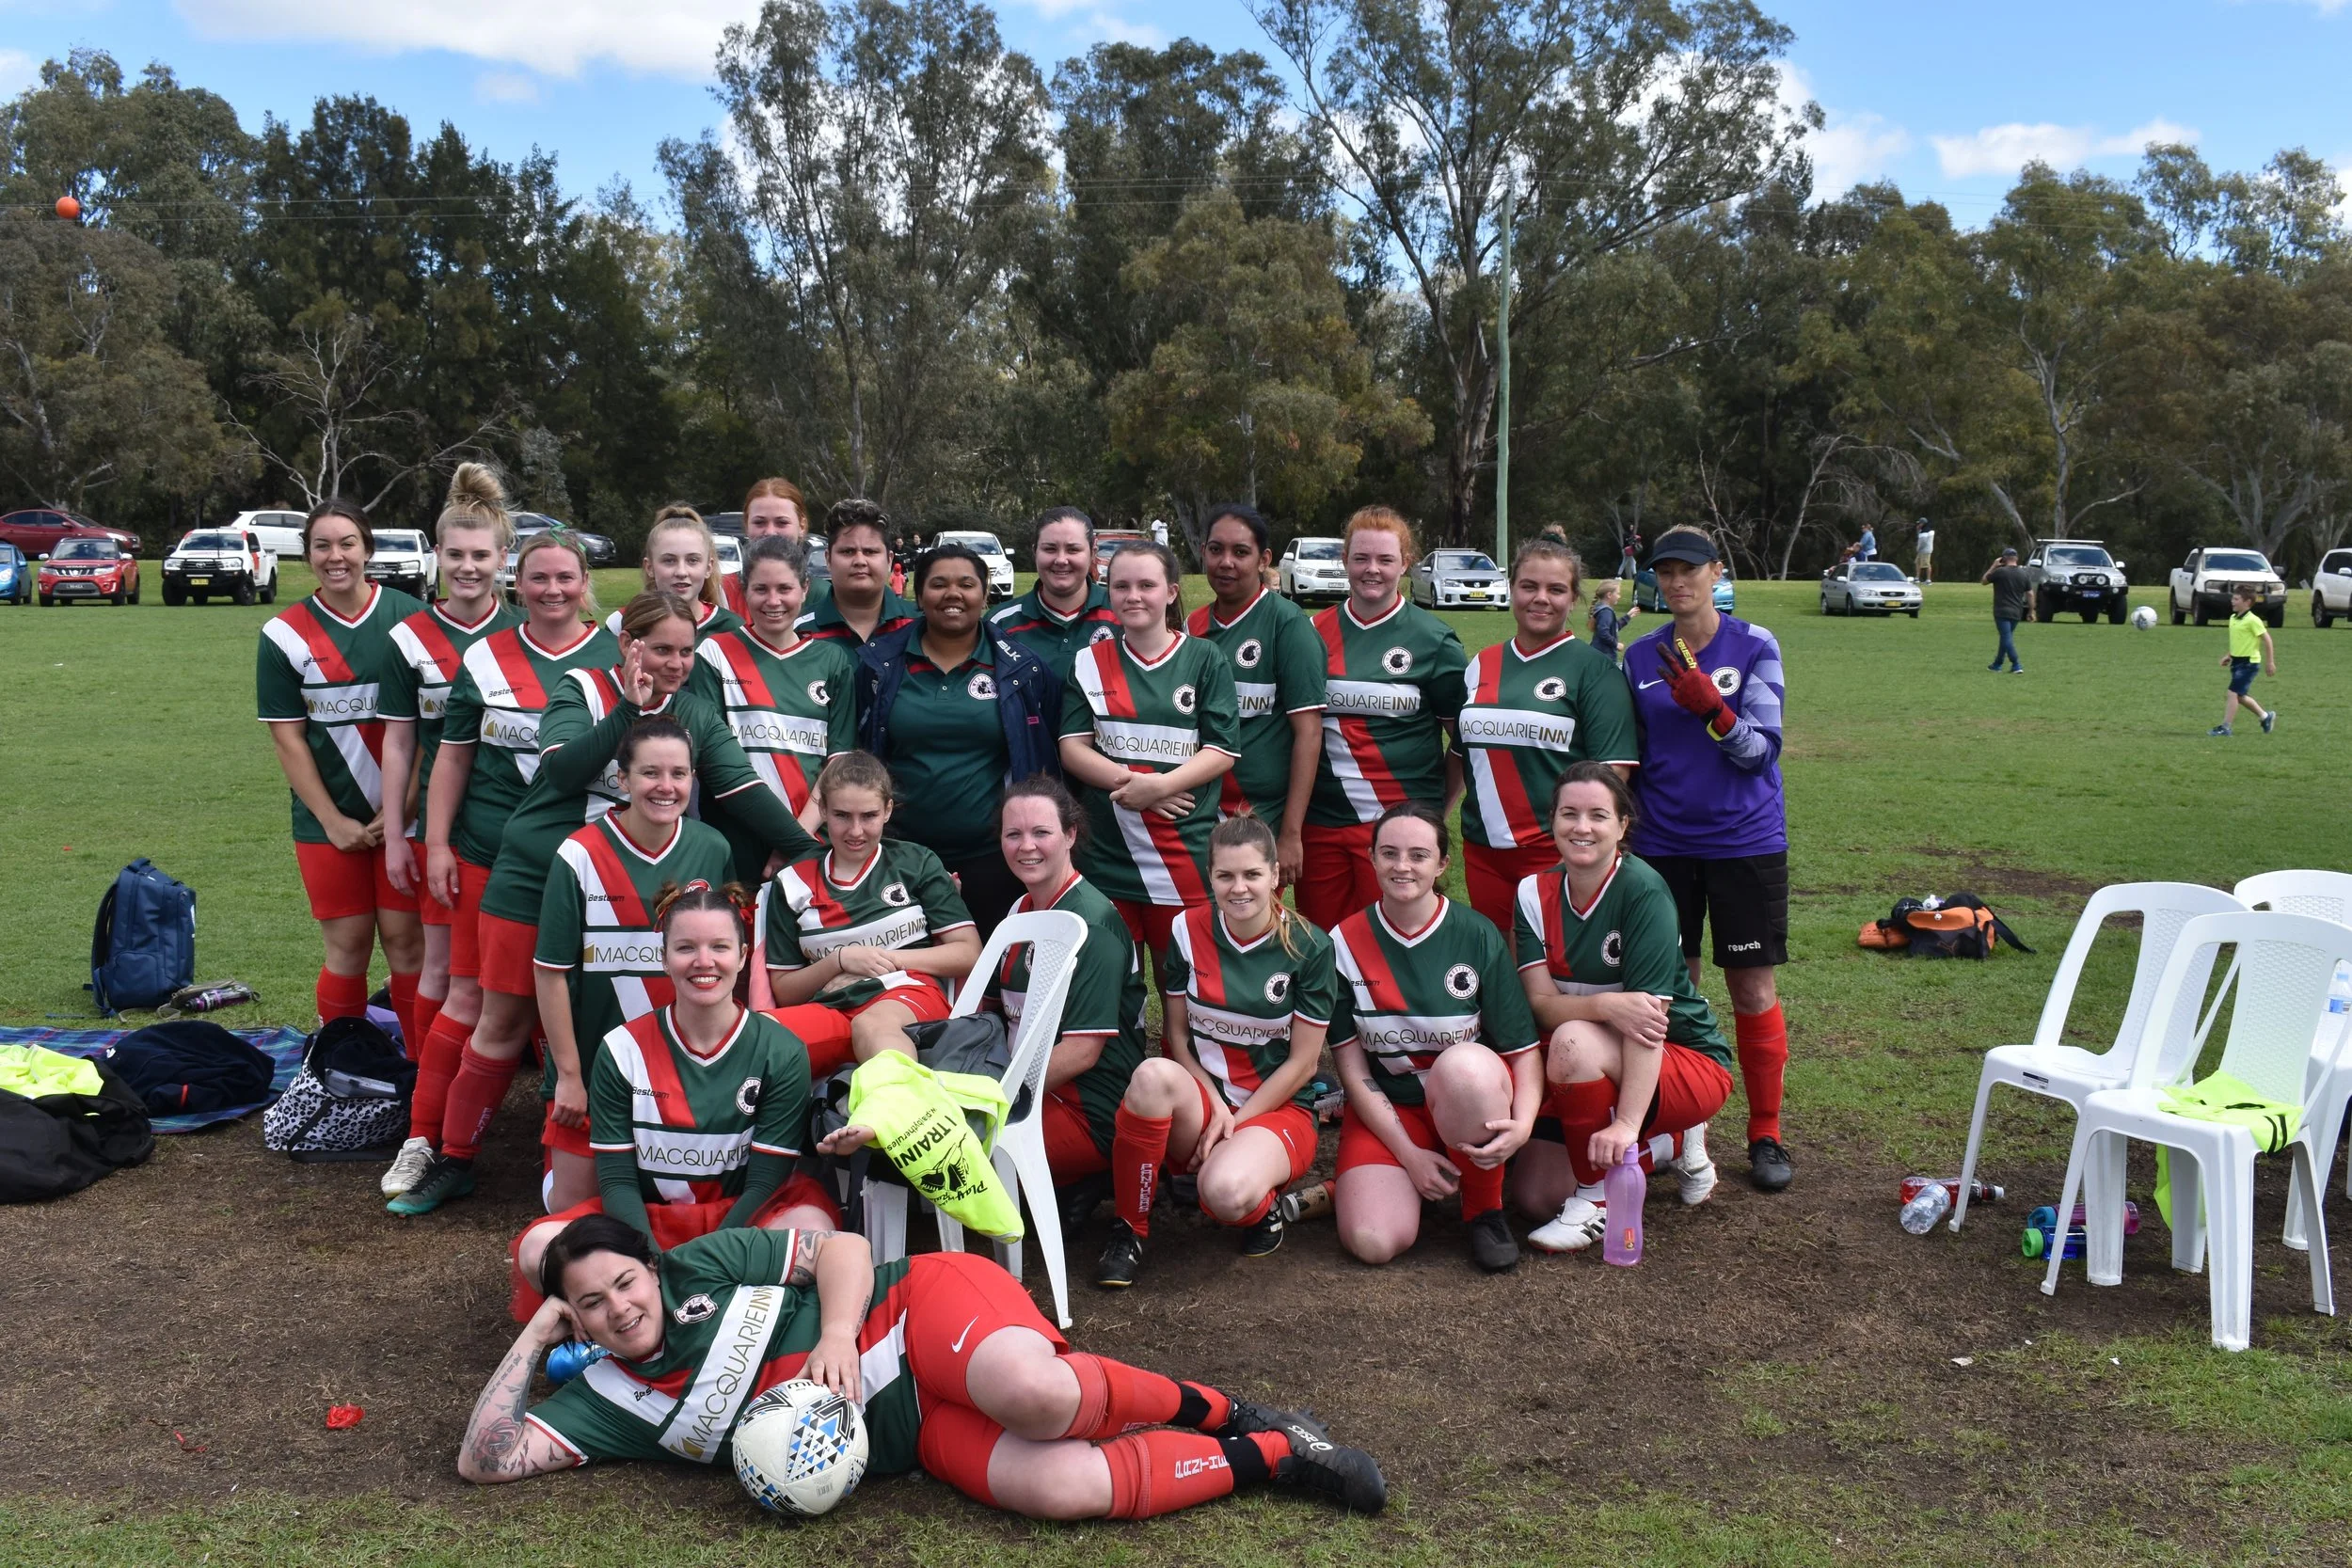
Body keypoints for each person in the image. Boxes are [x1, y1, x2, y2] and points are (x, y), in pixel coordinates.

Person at [459, 1215, 1388, 1518]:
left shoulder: (701, 1263)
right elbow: (485, 1456)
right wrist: (535, 1335)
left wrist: (832, 1333)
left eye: (625, 1280)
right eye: (589, 1302)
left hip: (915, 1313)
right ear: (572, 1316)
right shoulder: (608, 1399)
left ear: (651, 1268)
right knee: (1062, 1485)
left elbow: (844, 1246)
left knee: (1035, 1394)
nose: (619, 1307)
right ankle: (1277, 1452)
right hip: (907, 1435)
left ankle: (1223, 1406)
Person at [390, 592, 818, 1217]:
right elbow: (563, 770)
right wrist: (627, 710)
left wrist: (814, 857)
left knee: (610, 1010)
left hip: (619, 875)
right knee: (503, 1020)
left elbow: (743, 787)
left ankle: (579, 1153)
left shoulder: (693, 711)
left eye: (685, 650)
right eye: (661, 648)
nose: (675, 662)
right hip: (536, 871)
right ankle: (452, 1157)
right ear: (628, 643)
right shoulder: (582, 687)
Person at [389, 530, 613, 1199]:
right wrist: (434, 843)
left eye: (565, 578)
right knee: (480, 1003)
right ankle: (432, 1144)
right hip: (493, 856)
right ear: (518, 583)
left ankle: (561, 1167)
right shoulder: (485, 655)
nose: (552, 590)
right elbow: (451, 755)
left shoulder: (614, 651)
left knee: (586, 1009)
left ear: (584, 582)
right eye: (538, 578)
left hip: (594, 863)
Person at [510, 881, 838, 1315]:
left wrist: (707, 1259)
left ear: (742, 957)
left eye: (720, 947)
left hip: (743, 1217)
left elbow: (765, 1182)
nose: (704, 962)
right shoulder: (621, 1048)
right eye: (686, 948)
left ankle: (729, 1325)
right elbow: (617, 1181)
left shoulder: (780, 1050)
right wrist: (646, 1261)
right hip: (643, 1222)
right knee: (538, 1249)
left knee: (818, 1238)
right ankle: (627, 1332)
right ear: (662, 958)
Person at [1624, 526, 1795, 1193]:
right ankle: (1679, 1130)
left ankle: (1766, 1132)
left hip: (1744, 842)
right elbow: (1629, 760)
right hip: (1662, 847)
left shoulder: (1755, 645)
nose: (1677, 582)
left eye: (1690, 569)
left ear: (1717, 572)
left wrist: (1714, 710)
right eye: (1665, 572)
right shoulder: (1640, 657)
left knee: (1751, 987)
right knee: (1670, 992)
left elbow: (1760, 751)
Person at [1095, 816, 1339, 1287]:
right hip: (1207, 1102)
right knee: (1151, 1075)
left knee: (1224, 1193)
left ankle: (1265, 1207)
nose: (1239, 888)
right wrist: (1214, 1109)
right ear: (1210, 877)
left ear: (1274, 875)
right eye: (1225, 876)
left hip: (1278, 1109)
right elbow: (1178, 1039)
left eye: (1252, 875)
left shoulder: (1310, 947)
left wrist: (1238, 1122)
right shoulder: (1186, 929)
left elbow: (1304, 1063)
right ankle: (1129, 1229)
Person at [1509, 762, 1733, 1251]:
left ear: (1622, 826)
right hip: (1592, 1051)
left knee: (1570, 1042)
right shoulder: (1532, 893)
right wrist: (1608, 1004)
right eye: (1569, 813)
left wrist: (1626, 1122)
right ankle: (1668, 1145)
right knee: (1535, 1197)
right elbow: (1541, 1006)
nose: (1582, 828)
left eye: (1598, 815)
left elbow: (1647, 1026)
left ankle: (1599, 1195)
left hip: (1684, 1058)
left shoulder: (1644, 891)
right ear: (1553, 821)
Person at [525, 717, 739, 1212]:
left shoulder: (712, 847)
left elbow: (728, 969)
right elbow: (550, 973)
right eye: (650, 773)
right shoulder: (578, 854)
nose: (666, 787)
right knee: (570, 1214)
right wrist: (569, 1079)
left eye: (679, 774)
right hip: (597, 1074)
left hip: (688, 1071)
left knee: (681, 1208)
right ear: (622, 780)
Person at [1328, 802, 1541, 1274]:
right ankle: (1415, 1174)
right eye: (1390, 853)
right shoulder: (1342, 942)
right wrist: (1407, 1153)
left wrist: (1522, 1124)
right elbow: (1354, 1073)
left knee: (1463, 1065)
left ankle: (1485, 1210)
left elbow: (1523, 1053)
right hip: (1394, 1109)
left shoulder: (1477, 935)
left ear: (1442, 864)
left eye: (1419, 855)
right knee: (1373, 1241)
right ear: (1372, 858)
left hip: (1469, 1100)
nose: (1403, 866)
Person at [258, 499, 428, 1040]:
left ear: (368, 549)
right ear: (307, 555)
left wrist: (402, 808)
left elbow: (433, 724)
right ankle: (342, 1066)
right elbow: (288, 739)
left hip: (410, 819)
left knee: (407, 942)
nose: (336, 556)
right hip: (326, 823)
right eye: (322, 545)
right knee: (349, 945)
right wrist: (332, 820)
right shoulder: (282, 634)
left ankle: (418, 1072)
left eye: (347, 543)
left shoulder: (410, 619)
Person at [381, 465, 519, 1069]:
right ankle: (427, 1092)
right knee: (442, 967)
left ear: (502, 557)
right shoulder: (408, 638)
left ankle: (503, 1088)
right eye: (455, 553)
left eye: (481, 555)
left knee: (513, 965)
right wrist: (395, 836)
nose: (468, 567)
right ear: (436, 553)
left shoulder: (526, 631)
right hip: (439, 835)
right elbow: (399, 744)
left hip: (514, 829)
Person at [855, 543, 1061, 936]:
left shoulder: (1023, 669)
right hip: (900, 853)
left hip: (994, 857)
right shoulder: (878, 664)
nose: (953, 594)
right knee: (906, 973)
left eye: (966, 584)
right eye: (938, 584)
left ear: (985, 595)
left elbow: (1044, 754)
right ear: (918, 595)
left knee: (994, 979)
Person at [1058, 542, 1240, 960]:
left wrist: (1160, 788)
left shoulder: (1204, 658)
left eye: (1147, 585)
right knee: (1113, 978)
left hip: (1185, 850)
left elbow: (1222, 750)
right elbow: (1072, 747)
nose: (1133, 596)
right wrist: (1134, 785)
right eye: (1121, 586)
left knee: (1185, 979)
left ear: (1172, 592)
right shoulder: (1089, 661)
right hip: (1106, 850)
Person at [1455, 539, 1639, 936]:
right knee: (1498, 970)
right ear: (1511, 589)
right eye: (1529, 586)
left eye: (1555, 590)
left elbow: (1614, 774)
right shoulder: (1481, 663)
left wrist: (1579, 845)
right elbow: (1460, 754)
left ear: (1573, 599)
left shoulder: (1595, 671)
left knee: (1554, 975)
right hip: (1482, 850)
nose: (1541, 599)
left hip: (1556, 852)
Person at [1298, 508, 1468, 930]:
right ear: (1345, 560)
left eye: (1385, 560)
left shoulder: (1434, 640)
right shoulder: (1310, 633)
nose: (1372, 570)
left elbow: (1463, 741)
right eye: (1361, 558)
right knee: (1325, 945)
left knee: (1396, 945)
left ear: (1405, 563)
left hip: (1400, 831)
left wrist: (1434, 812)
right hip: (1322, 824)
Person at [763, 751, 981, 1074]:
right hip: (833, 1006)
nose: (855, 831)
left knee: (871, 1026)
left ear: (887, 811)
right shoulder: (793, 880)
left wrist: (880, 960)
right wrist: (839, 961)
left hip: (907, 992)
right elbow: (784, 990)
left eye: (868, 816)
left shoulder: (915, 862)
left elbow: (968, 952)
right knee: (756, 1038)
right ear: (822, 810)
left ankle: (904, 1120)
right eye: (841, 815)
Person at [985, 777, 1149, 1191]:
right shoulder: (1020, 909)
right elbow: (988, 1011)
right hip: (1026, 1091)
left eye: (1042, 832)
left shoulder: (1091, 922)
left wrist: (987, 1101)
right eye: (1013, 834)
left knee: (955, 1161)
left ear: (1070, 834)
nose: (1026, 846)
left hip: (1088, 1108)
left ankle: (1090, 1177)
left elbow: (1080, 1053)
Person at [689, 534, 856, 883]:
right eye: (760, 589)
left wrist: (794, 840)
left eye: (785, 588)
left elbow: (837, 762)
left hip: (811, 836)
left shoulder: (832, 660)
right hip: (735, 838)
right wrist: (790, 840)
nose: (773, 601)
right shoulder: (714, 654)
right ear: (743, 590)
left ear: (805, 588)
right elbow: (715, 766)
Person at [1185, 503, 1327, 887]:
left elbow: (1309, 733)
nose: (1226, 562)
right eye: (1216, 550)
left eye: (1240, 552)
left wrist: (1292, 833)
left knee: (1252, 928)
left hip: (1262, 811)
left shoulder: (1288, 624)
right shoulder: (1191, 626)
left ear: (1264, 559)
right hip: (1197, 808)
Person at [989, 506, 1119, 673]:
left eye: (1073, 549)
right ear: (1035, 551)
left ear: (1093, 553)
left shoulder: (1121, 615)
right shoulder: (1000, 623)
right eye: (1050, 549)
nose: (1061, 560)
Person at [607, 506, 741, 641]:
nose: (681, 572)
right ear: (649, 567)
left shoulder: (732, 628)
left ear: (708, 568)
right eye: (669, 560)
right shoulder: (621, 624)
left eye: (693, 560)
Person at [800, 499, 915, 650]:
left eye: (870, 552)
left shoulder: (921, 625)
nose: (860, 561)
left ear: (889, 560)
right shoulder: (797, 631)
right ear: (828, 559)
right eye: (847, 551)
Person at [722, 476, 807, 619]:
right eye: (760, 523)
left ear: (802, 526)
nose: (770, 532)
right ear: (746, 525)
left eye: (782, 522)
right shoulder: (722, 591)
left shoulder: (825, 595)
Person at [2211, 586, 2280, 736]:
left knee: (2232, 693)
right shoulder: (2233, 618)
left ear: (2247, 602)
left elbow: (2267, 640)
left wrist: (2270, 662)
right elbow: (2238, 641)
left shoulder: (2253, 620)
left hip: (2249, 663)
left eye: (2236, 599)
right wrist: (2229, 655)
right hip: (2237, 662)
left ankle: (2226, 727)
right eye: (2233, 598)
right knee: (2240, 696)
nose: (2232, 602)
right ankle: (2265, 717)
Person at [1982, 546, 2033, 673]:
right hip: (2017, 611)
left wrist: (1994, 566)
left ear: (2003, 559)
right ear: (2016, 558)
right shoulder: (2024, 574)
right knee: (2006, 637)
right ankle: (1997, 664)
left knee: (2006, 637)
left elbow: (1984, 581)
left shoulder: (2000, 572)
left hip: (2001, 610)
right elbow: (2030, 594)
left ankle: (2016, 664)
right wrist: (2032, 611)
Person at [1588, 578, 1635, 661]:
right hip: (1604, 656)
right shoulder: (1606, 612)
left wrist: (1628, 616)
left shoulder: (1602, 609)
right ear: (1609, 595)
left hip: (1600, 655)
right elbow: (1603, 633)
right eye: (1618, 593)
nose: (1619, 596)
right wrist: (1616, 644)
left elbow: (1613, 627)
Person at [1914, 517, 1934, 585]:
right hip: (1922, 550)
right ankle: (1917, 578)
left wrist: (1918, 549)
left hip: (1925, 550)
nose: (1918, 525)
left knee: (1927, 564)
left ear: (1923, 523)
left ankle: (1928, 580)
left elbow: (1923, 542)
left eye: (1919, 523)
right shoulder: (1923, 531)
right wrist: (1918, 530)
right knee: (1917, 563)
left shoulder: (1925, 532)